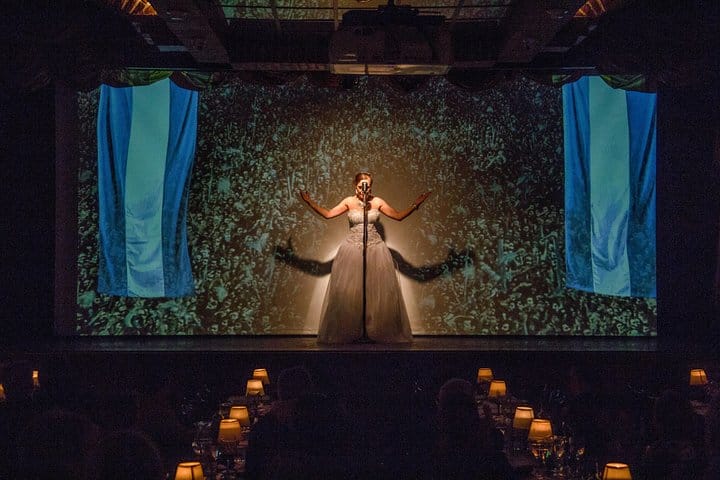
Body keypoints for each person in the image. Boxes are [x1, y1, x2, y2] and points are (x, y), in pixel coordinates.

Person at [299, 171, 431, 344]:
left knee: (376, 292)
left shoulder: (377, 202)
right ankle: (352, 331)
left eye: (368, 185)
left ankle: (374, 330)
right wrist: (309, 202)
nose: (364, 189)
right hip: (353, 250)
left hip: (375, 250)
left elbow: (398, 216)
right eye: (362, 186)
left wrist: (415, 204)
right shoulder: (349, 201)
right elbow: (328, 214)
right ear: (355, 186)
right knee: (350, 293)